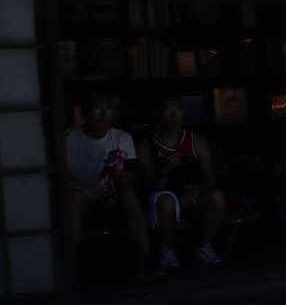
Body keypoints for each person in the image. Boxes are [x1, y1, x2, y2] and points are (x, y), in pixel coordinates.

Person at [64, 93, 149, 275]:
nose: (103, 115)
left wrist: (116, 175)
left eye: (108, 110)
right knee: (75, 200)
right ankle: (73, 265)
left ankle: (145, 260)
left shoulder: (122, 137)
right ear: (86, 114)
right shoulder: (69, 138)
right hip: (80, 188)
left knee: (129, 196)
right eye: (98, 110)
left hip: (112, 186)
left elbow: (129, 175)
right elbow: (65, 176)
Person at [138, 96, 225, 270]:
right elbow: (149, 186)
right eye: (168, 110)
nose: (173, 115)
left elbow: (209, 177)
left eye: (177, 110)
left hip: (193, 195)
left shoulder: (196, 141)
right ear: (159, 113)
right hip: (163, 197)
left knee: (217, 197)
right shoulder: (146, 145)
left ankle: (205, 247)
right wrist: (166, 169)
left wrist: (199, 190)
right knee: (167, 201)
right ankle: (166, 251)